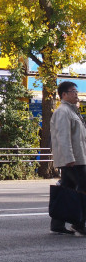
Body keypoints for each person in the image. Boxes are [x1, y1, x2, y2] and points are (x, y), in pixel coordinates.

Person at [50, 81, 86, 235]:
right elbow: (62, 137)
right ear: (63, 95)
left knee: (67, 189)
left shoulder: (72, 111)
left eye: (76, 91)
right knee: (83, 190)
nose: (76, 94)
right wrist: (69, 158)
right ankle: (79, 224)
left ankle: (57, 224)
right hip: (74, 160)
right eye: (72, 91)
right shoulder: (63, 111)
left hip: (76, 158)